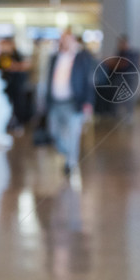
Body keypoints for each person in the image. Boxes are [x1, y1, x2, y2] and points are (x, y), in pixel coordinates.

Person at [44, 30, 95, 176]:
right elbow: (48, 79)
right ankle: (66, 152)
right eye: (62, 40)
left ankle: (70, 162)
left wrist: (88, 102)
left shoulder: (81, 58)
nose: (64, 43)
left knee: (73, 134)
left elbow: (88, 81)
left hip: (74, 102)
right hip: (55, 102)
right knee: (54, 132)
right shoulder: (55, 58)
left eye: (67, 40)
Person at [0, 36, 31, 132]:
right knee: (7, 105)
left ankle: (18, 123)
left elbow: (25, 65)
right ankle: (10, 122)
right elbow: (6, 66)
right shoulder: (3, 55)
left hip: (17, 85)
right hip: (7, 85)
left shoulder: (16, 54)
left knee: (18, 104)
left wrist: (15, 66)